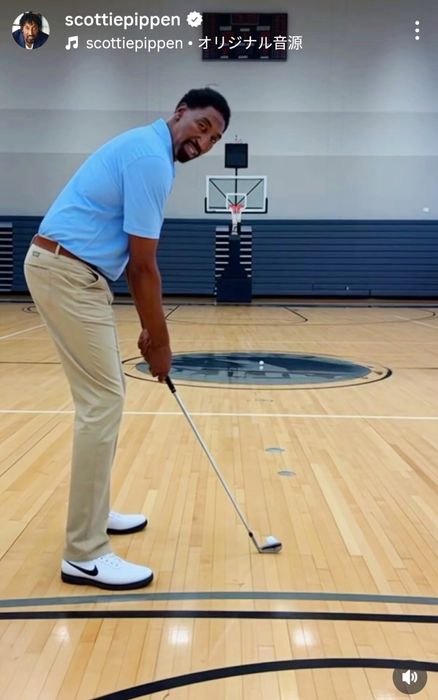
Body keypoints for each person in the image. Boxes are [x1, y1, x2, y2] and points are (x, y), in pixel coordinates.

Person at [24, 88, 230, 590]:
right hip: (67, 272)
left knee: (105, 398)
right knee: (102, 402)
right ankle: (85, 553)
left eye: (214, 139)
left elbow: (138, 265)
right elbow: (143, 267)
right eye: (202, 126)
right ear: (179, 113)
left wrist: (152, 330)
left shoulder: (151, 152)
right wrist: (159, 341)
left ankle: (95, 513)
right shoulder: (150, 159)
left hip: (73, 271)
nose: (204, 142)